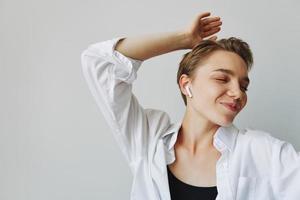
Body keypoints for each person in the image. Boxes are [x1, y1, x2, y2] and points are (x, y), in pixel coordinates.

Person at [81, 12, 300, 200]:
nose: (238, 93)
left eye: (244, 86)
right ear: (187, 85)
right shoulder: (150, 139)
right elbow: (99, 62)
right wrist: (183, 39)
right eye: (222, 79)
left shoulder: (262, 151)